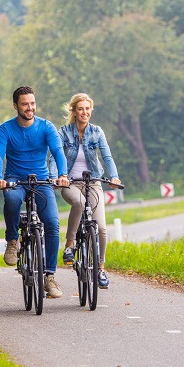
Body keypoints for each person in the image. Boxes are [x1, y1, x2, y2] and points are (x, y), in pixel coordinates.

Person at [0, 86, 70, 299]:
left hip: (41, 181)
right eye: (25, 104)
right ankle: (12, 240)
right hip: (14, 180)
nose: (30, 107)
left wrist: (62, 174)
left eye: (32, 103)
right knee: (11, 198)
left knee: (52, 223)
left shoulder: (46, 127)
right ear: (16, 106)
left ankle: (49, 276)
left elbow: (57, 152)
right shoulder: (5, 129)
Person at [49, 93, 121, 289]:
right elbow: (54, 157)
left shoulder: (97, 132)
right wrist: (57, 177)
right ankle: (70, 245)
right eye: (80, 108)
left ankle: (101, 269)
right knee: (79, 202)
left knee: (102, 228)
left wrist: (114, 176)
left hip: (93, 182)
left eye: (87, 109)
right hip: (69, 182)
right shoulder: (63, 132)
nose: (84, 112)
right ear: (73, 111)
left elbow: (107, 156)